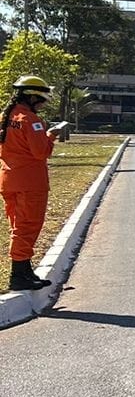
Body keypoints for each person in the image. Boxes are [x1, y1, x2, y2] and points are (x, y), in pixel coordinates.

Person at [1, 76, 70, 293]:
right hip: (30, 183)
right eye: (40, 101)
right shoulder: (31, 121)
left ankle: (24, 271)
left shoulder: (5, 116)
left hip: (9, 180)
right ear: (31, 97)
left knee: (17, 226)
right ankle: (18, 275)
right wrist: (50, 135)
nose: (42, 105)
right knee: (27, 227)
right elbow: (41, 152)